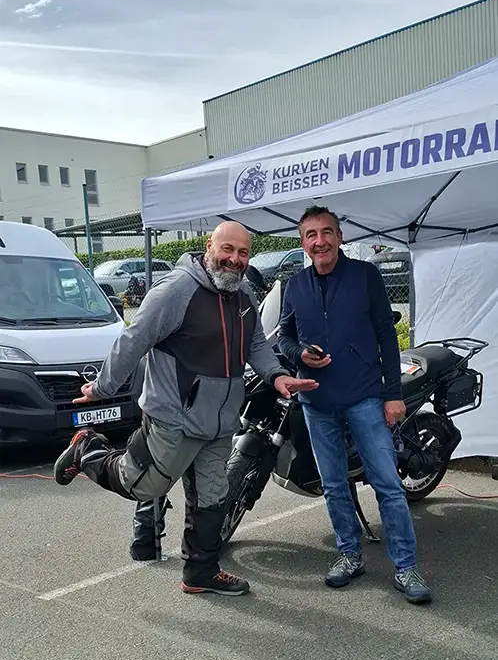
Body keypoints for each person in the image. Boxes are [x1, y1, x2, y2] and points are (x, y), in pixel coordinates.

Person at [53, 222, 318, 597]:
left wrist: (276, 376)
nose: (235, 259)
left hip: (220, 421)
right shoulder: (177, 289)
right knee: (142, 485)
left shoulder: (242, 293)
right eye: (228, 249)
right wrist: (102, 388)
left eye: (243, 253)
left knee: (213, 496)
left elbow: (256, 343)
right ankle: (87, 449)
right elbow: (133, 339)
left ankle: (200, 572)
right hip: (174, 416)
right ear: (209, 246)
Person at [278, 205, 432, 605]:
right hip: (317, 402)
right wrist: (299, 355)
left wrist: (393, 393)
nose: (320, 241)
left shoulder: (365, 276)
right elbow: (284, 338)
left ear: (340, 237)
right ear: (303, 242)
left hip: (365, 398)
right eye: (311, 235)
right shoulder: (294, 285)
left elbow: (386, 336)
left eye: (326, 232)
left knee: (388, 485)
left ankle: (405, 566)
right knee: (333, 486)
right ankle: (349, 555)